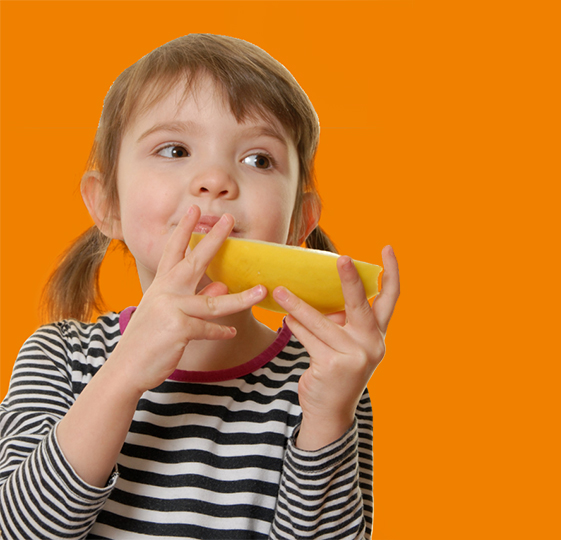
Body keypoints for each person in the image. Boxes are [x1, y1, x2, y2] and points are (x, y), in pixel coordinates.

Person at [0, 33, 399, 539]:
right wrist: (123, 373)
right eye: (174, 149)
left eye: (258, 159)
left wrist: (327, 415)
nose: (214, 179)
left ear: (301, 221)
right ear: (107, 204)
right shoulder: (58, 357)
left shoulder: (321, 382)